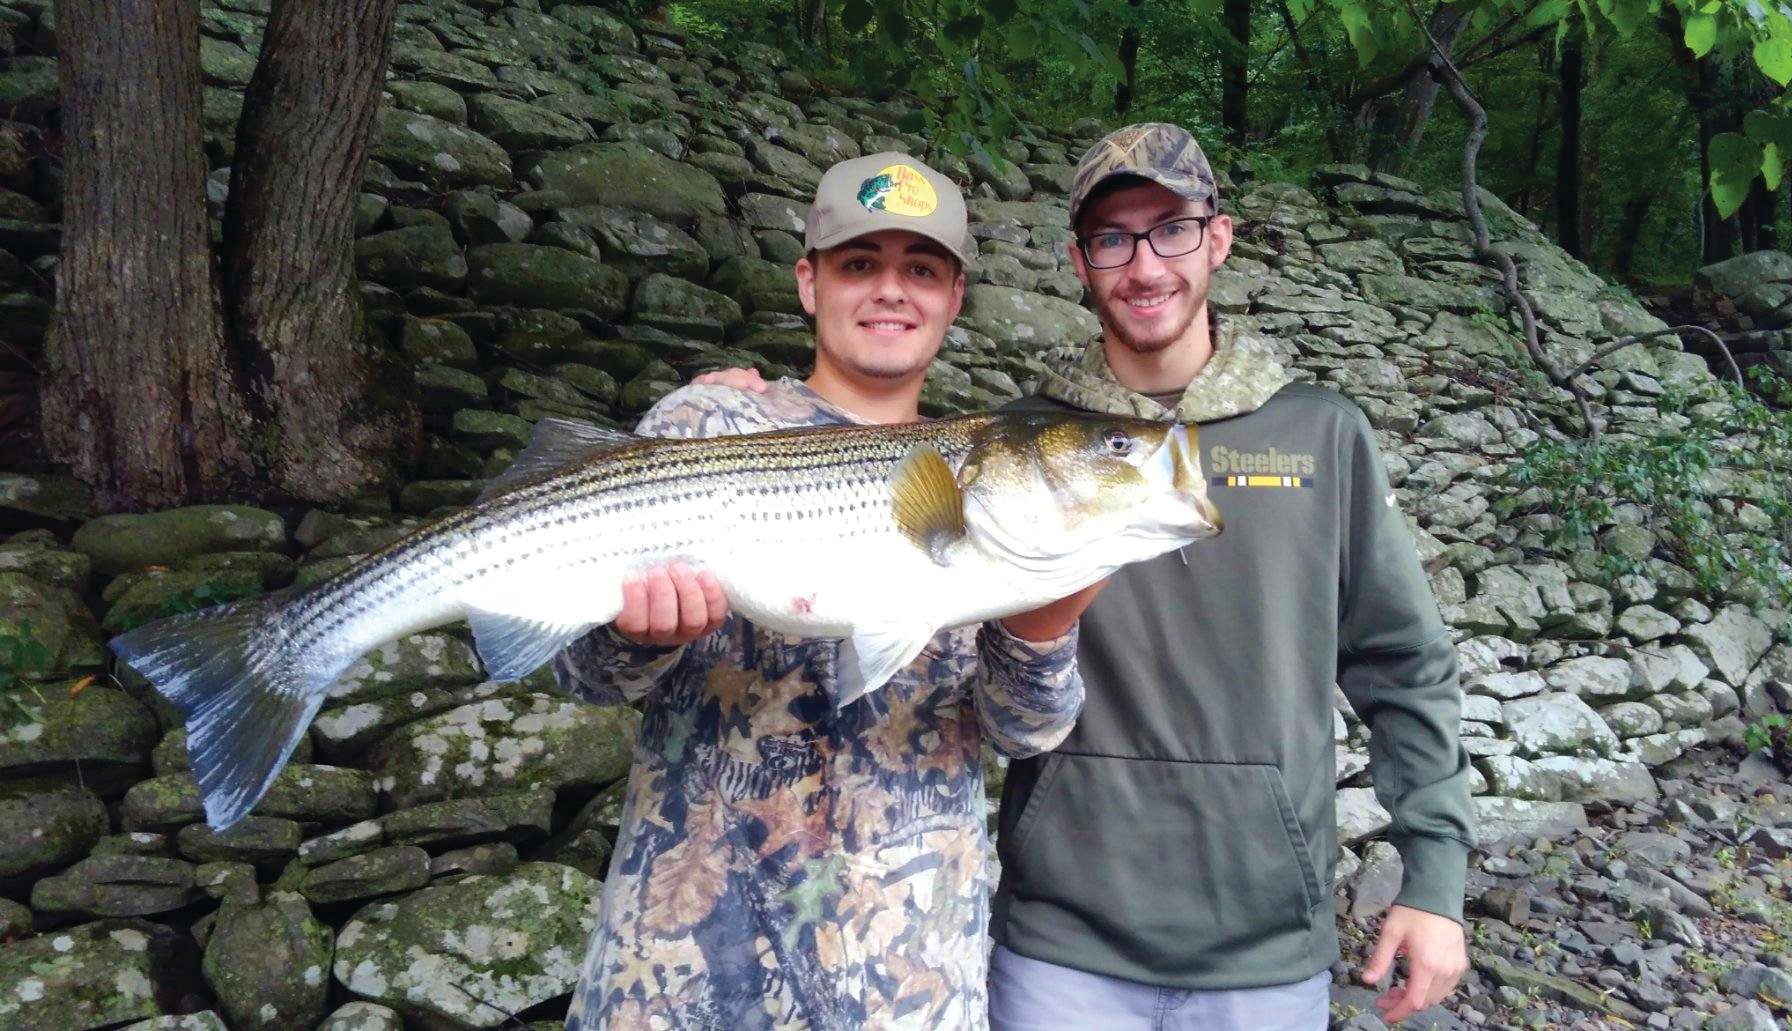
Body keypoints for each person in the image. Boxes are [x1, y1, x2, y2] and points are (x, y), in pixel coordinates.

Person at [555, 153, 1100, 1030]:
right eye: (859, 264)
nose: (891, 290)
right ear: (809, 282)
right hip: (677, 973)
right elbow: (585, 674)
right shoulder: (707, 424)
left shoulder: (1006, 479)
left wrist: (1043, 628)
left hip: (904, 978)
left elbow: (1023, 730)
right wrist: (639, 639)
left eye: (920, 269)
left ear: (955, 299)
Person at [982, 123, 1475, 1030]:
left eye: (1171, 228)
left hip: (1262, 948)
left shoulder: (1321, 434)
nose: (1144, 266)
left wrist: (1435, 881)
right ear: (1079, 260)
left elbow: (1403, 663)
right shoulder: (1016, 447)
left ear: (1218, 237)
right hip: (1060, 946)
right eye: (1112, 238)